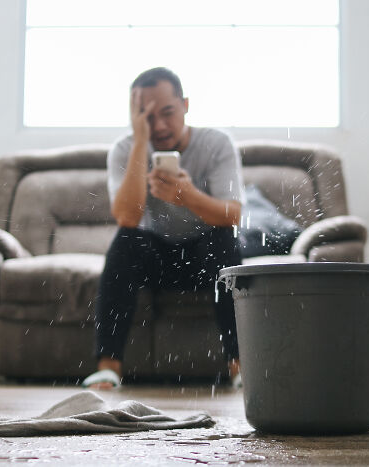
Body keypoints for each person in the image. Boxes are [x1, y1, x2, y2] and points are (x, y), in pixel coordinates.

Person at [81, 67, 246, 390]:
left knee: (225, 240)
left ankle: (241, 368)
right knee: (126, 240)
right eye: (147, 117)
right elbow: (127, 218)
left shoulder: (216, 143)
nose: (159, 126)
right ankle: (108, 367)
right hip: (155, 258)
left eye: (167, 113)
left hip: (205, 257)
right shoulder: (126, 149)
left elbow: (233, 215)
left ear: (185, 104)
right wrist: (141, 142)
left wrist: (188, 197)